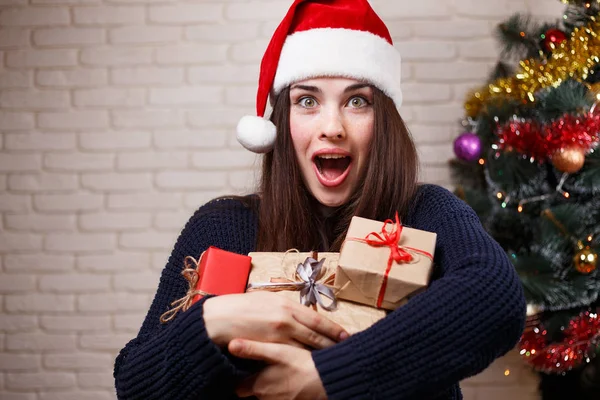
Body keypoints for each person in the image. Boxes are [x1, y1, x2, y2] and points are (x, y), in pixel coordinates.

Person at [113, 0, 527, 399]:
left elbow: (496, 296)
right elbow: (135, 385)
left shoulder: (424, 212)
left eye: (357, 101)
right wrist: (213, 321)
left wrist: (330, 377)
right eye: (307, 101)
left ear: (383, 124)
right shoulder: (222, 225)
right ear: (281, 123)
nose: (333, 126)